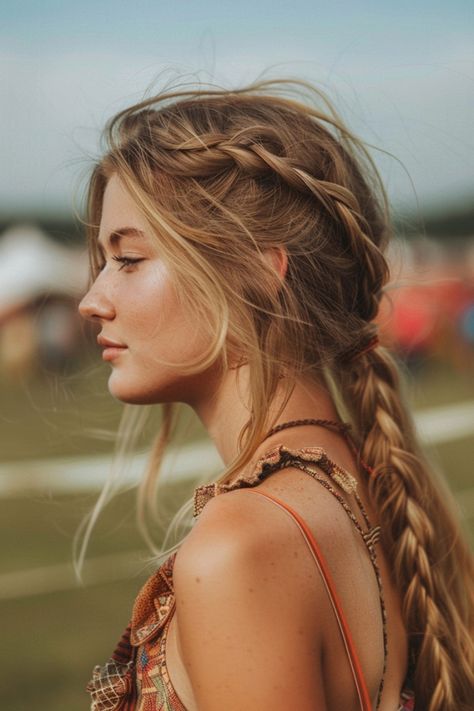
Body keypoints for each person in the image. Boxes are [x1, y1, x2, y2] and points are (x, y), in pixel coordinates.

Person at [78, 77, 474, 711]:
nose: (91, 301)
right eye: (102, 261)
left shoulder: (242, 545)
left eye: (128, 260)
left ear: (260, 270)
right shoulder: (374, 483)